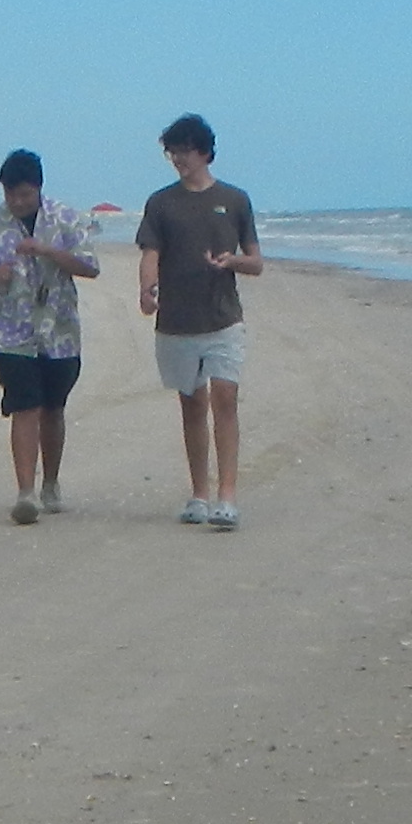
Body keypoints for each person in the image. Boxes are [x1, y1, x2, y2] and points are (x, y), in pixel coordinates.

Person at [133, 113, 261, 529]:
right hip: (177, 321)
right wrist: (147, 289)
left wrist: (233, 261)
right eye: (172, 152)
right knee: (192, 404)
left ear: (204, 151)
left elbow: (256, 261)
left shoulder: (236, 199)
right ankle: (199, 494)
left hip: (224, 317)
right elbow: (150, 253)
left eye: (184, 151)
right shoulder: (161, 203)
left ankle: (227, 495)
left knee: (225, 398)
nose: (177, 159)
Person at [0, 148, 95, 525]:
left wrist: (48, 250)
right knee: (25, 406)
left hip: (59, 331)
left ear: (39, 189)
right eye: (11, 195)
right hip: (8, 334)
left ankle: (50, 484)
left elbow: (90, 266)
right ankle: (25, 492)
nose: (17, 202)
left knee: (53, 408)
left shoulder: (65, 218)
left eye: (25, 195)